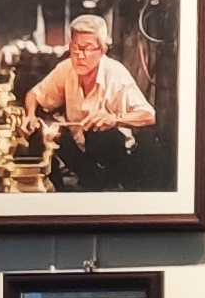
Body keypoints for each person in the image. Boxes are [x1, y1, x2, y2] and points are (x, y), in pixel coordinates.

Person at [19, 13, 156, 190]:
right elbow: (34, 94)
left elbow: (149, 115)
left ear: (102, 49)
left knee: (97, 134)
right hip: (79, 153)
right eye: (75, 47)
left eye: (87, 48)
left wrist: (113, 119)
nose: (80, 55)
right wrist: (30, 115)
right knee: (44, 134)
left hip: (114, 156)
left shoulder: (116, 74)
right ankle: (53, 193)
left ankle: (109, 187)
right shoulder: (67, 68)